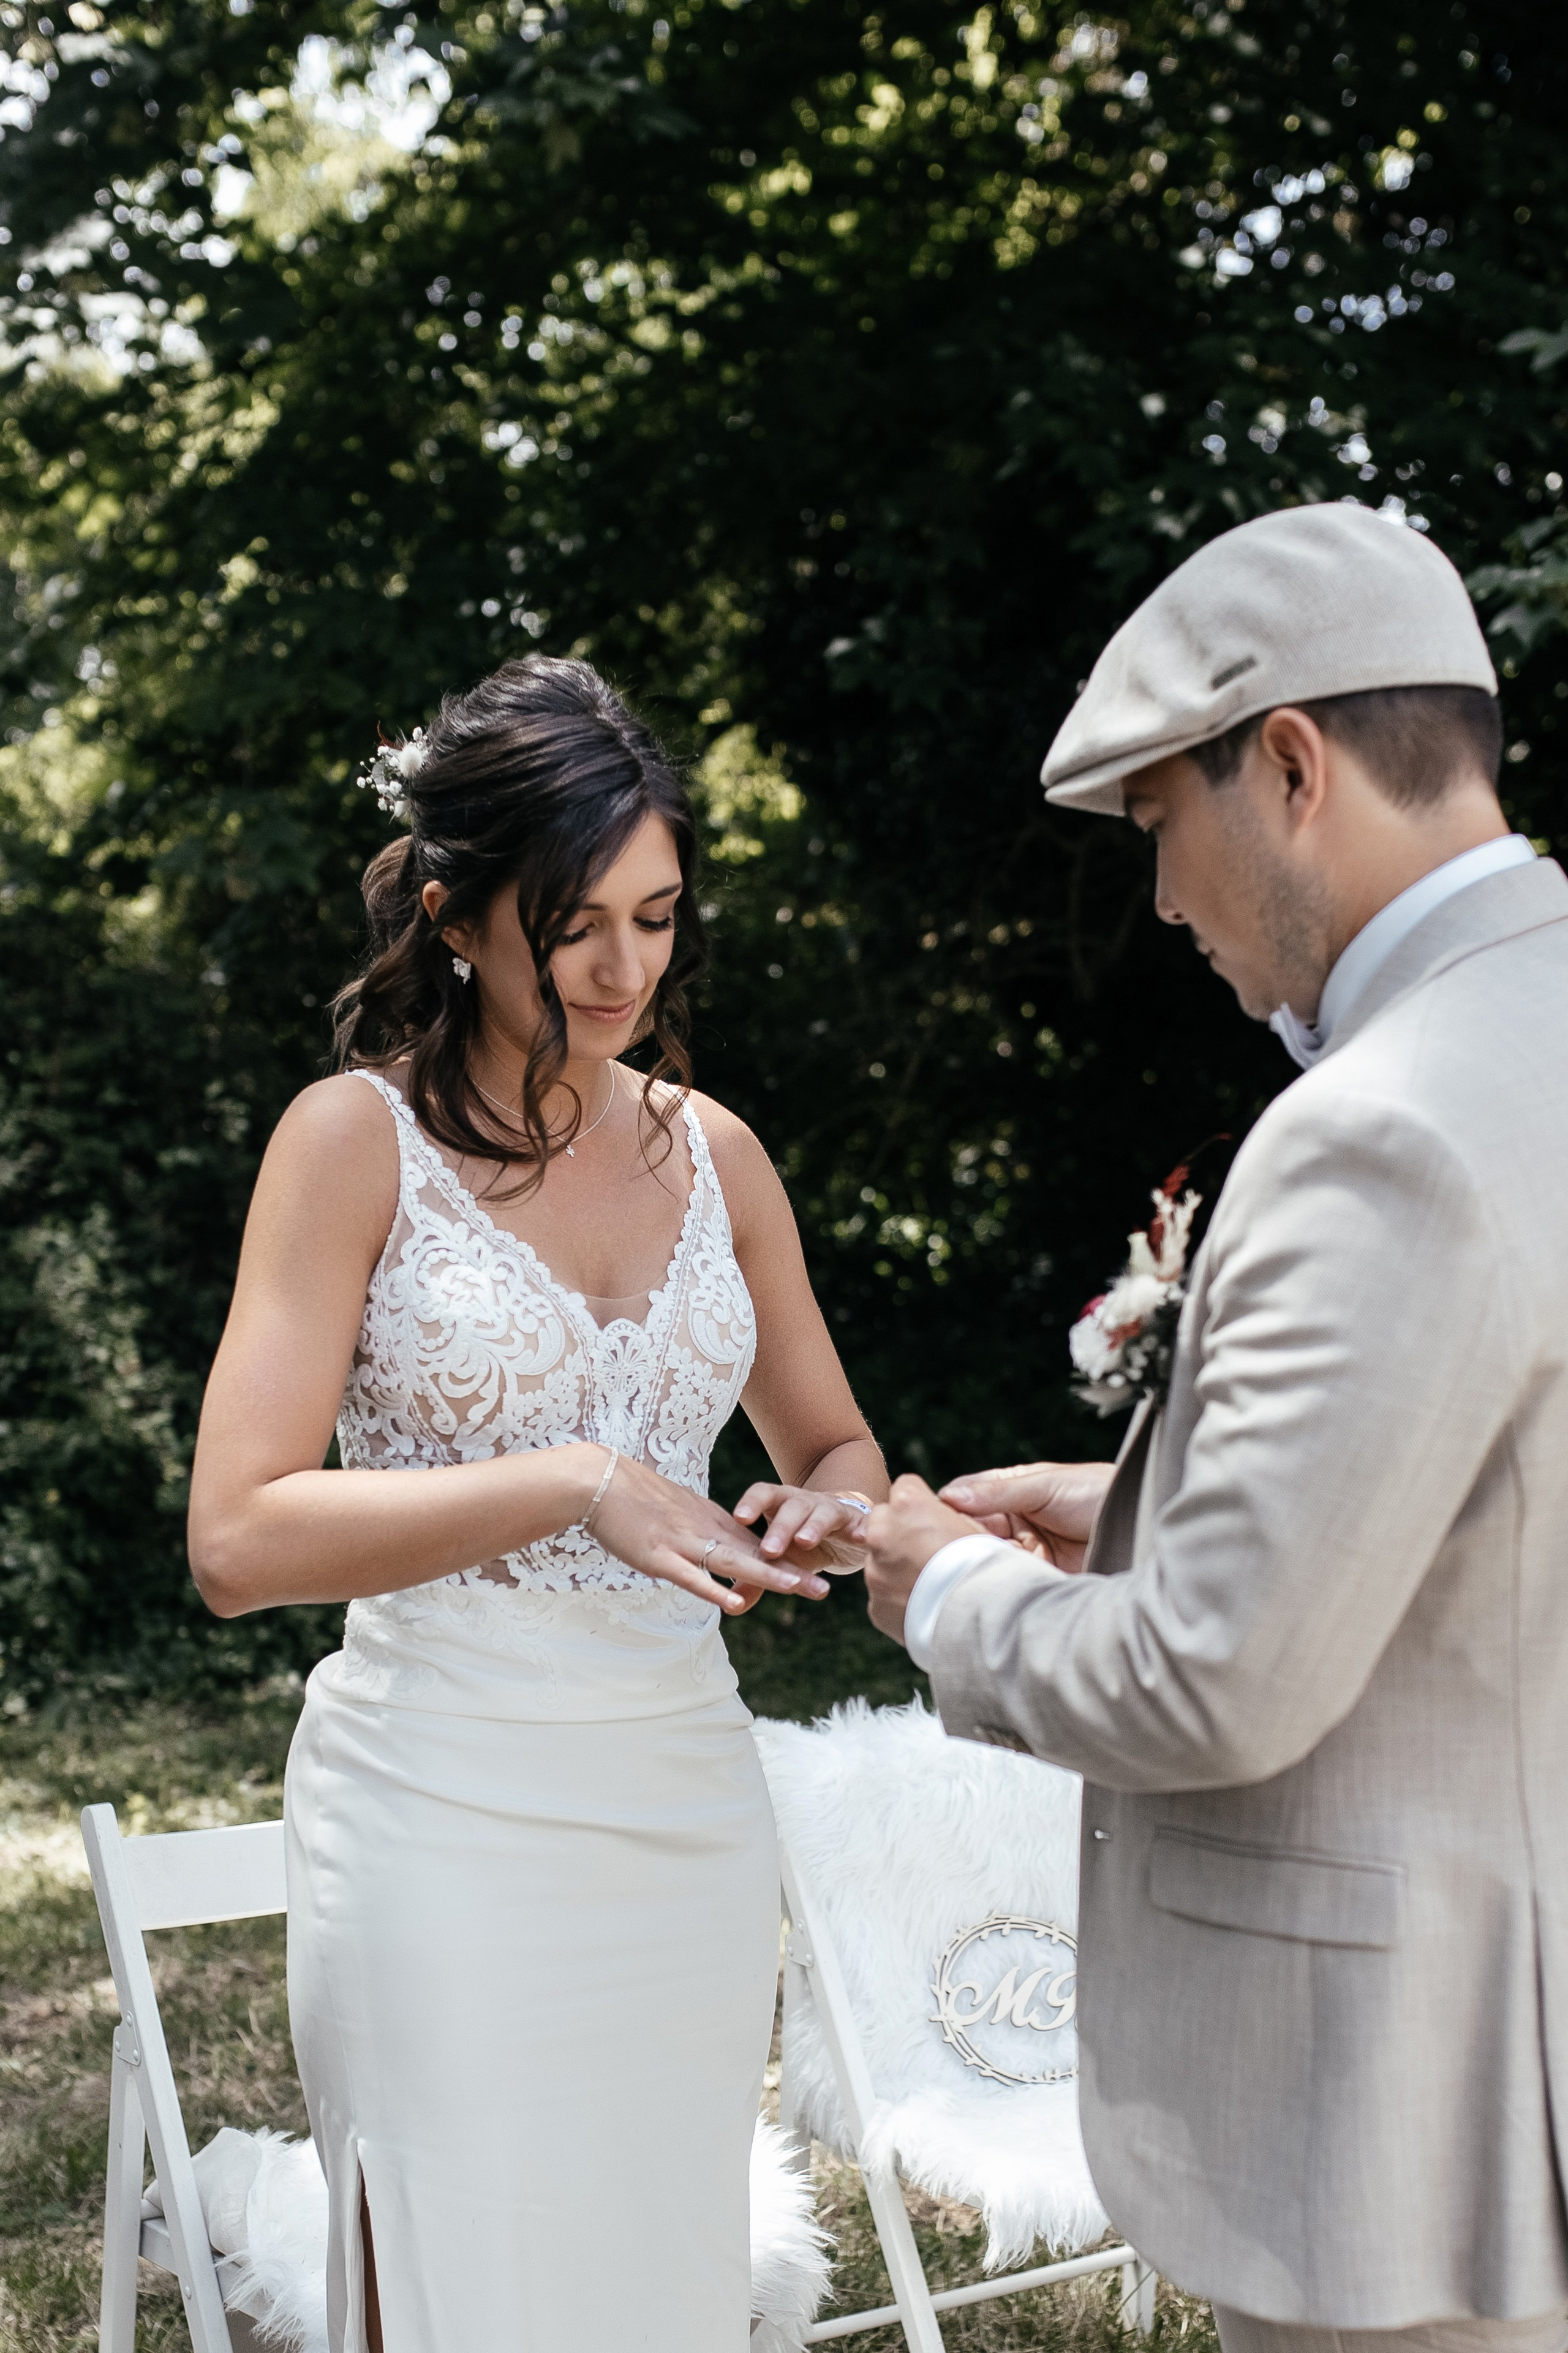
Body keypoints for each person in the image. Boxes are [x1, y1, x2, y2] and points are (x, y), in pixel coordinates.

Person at [862, 504, 1568, 2353]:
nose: (1162, 899)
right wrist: (1143, 1503)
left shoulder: (1382, 1122)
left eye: (1163, 826)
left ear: (1289, 764)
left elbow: (1210, 1685)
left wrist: (940, 1590)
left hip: (1419, 2142)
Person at [187, 654, 886, 2353]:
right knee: (454, 2283)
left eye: (656, 916)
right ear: (452, 914)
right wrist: (578, 1481)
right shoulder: (349, 1146)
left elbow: (839, 1445)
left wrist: (830, 1513)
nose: (622, 965)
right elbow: (237, 1536)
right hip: (439, 1803)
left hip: (682, 1811)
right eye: (575, 919)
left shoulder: (715, 1154)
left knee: (653, 2279)